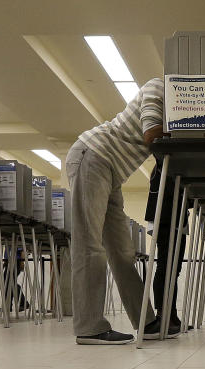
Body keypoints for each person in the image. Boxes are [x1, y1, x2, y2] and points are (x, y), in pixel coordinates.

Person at [67, 79, 169, 345]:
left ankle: (146, 323)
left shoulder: (173, 102)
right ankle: (89, 327)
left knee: (122, 251)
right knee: (89, 244)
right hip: (93, 156)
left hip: (111, 171)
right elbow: (152, 134)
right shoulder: (159, 87)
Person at [145, 162, 190, 336]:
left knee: (174, 270)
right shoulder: (164, 164)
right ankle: (163, 316)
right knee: (166, 267)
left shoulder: (170, 165)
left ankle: (171, 315)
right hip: (165, 218)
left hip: (177, 219)